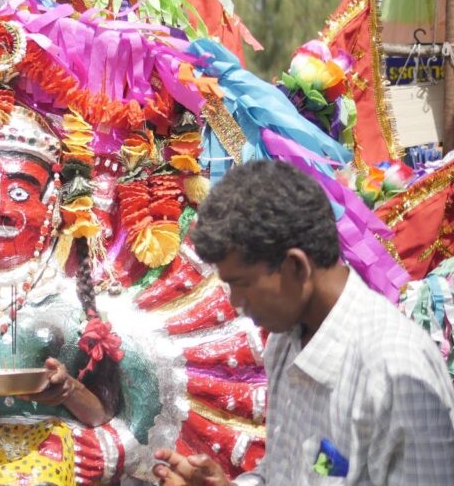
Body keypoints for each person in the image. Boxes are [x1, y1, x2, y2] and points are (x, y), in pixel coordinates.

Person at [153, 160, 454, 485]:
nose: (236, 302)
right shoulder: (286, 341)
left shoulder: (395, 371)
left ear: (296, 267)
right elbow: (285, 471)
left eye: (242, 284)